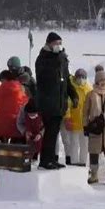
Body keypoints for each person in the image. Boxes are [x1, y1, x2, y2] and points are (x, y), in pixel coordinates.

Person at [35, 32, 78, 170]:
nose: (58, 46)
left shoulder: (62, 59)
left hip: (60, 103)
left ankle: (51, 158)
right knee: (50, 132)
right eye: (56, 43)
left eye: (60, 43)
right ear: (49, 44)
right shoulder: (43, 58)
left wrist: (73, 94)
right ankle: (45, 160)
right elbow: (45, 79)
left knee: (54, 134)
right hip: (48, 102)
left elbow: (65, 80)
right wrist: (57, 62)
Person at [63, 69, 93, 166]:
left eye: (83, 77)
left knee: (84, 144)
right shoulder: (72, 89)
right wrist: (67, 117)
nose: (81, 79)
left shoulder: (89, 90)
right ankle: (74, 162)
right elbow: (67, 104)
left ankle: (83, 162)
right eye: (79, 77)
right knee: (74, 143)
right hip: (74, 121)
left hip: (85, 122)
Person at [0, 71, 28, 143]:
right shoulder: (20, 88)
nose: (1, 83)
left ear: (5, 79)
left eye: (1, 81)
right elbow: (25, 103)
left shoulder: (1, 89)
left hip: (2, 125)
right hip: (17, 124)